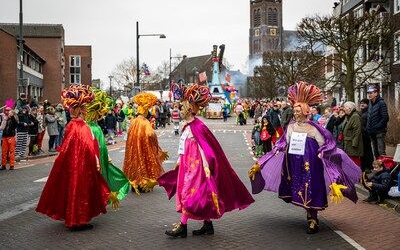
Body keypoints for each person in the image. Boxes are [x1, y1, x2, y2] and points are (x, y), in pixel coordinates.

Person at [249, 81, 361, 234]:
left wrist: (322, 152)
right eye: (294, 111)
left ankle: (313, 219)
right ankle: (309, 215)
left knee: (311, 188)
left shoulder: (313, 128)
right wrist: (266, 159)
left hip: (311, 163)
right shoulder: (291, 127)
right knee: (299, 188)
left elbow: (325, 143)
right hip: (294, 164)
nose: (295, 113)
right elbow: (283, 143)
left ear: (305, 111)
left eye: (298, 111)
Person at [159, 83, 254, 238]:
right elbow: (184, 145)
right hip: (187, 165)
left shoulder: (198, 126)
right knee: (201, 194)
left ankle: (182, 226)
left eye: (182, 107)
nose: (179, 110)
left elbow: (205, 148)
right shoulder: (187, 126)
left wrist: (206, 166)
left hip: (197, 167)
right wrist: (179, 159)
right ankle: (208, 225)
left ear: (189, 109)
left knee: (189, 194)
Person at [36, 85, 110, 231]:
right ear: (81, 108)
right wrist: (94, 162)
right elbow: (88, 148)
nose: (87, 109)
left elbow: (68, 148)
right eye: (85, 106)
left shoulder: (72, 125)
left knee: (72, 189)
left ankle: (74, 217)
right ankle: (78, 219)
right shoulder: (81, 127)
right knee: (80, 191)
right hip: (82, 167)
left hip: (72, 166)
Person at [86, 89, 130, 207]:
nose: (102, 114)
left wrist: (105, 155)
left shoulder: (94, 127)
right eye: (100, 112)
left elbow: (101, 146)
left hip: (100, 157)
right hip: (95, 159)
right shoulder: (92, 128)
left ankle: (99, 196)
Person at [123, 92, 168, 193]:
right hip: (144, 148)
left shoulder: (134, 121)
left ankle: (135, 183)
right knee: (144, 164)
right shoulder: (145, 122)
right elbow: (150, 135)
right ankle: (143, 183)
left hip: (133, 149)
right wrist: (155, 145)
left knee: (135, 164)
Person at [366, 85, 389, 158]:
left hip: (379, 132)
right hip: (371, 132)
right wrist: (368, 128)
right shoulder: (370, 103)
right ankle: (378, 169)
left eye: (371, 93)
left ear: (376, 93)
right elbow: (369, 117)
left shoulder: (381, 103)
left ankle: (384, 168)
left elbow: (385, 118)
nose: (369, 94)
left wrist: (377, 127)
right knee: (375, 152)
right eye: (368, 93)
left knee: (381, 151)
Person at [343, 102, 363, 167]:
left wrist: (355, 144)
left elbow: (357, 131)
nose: (344, 109)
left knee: (355, 161)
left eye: (345, 107)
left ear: (350, 108)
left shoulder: (355, 116)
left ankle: (357, 176)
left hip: (352, 144)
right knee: (351, 161)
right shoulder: (350, 116)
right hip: (349, 143)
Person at [359, 98, 374, 171]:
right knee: (363, 151)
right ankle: (364, 166)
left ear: (367, 104)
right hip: (361, 134)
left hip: (366, 134)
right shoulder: (360, 112)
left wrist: (365, 130)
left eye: (364, 103)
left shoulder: (368, 113)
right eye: (361, 103)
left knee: (367, 150)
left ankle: (369, 166)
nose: (362, 104)